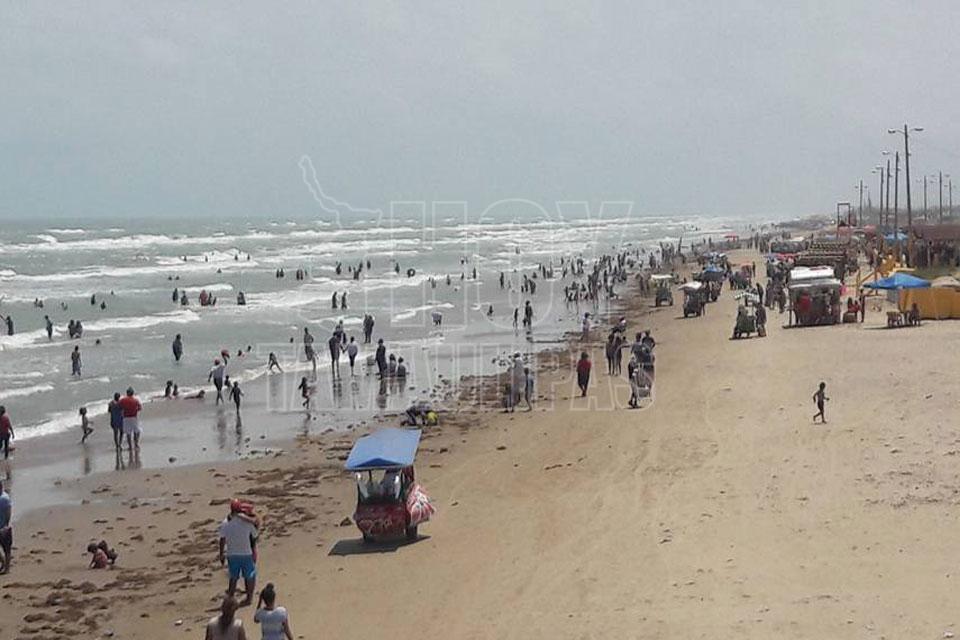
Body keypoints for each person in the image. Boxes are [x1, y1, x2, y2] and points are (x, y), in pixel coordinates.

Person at [218, 503, 259, 606]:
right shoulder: (246, 522)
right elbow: (255, 535)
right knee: (249, 576)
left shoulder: (226, 523)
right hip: (246, 553)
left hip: (232, 554)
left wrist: (221, 554)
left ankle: (231, 598)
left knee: (233, 577)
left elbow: (222, 539)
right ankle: (249, 598)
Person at [0, 480, 11, 574]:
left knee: (6, 548)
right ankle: (3, 562)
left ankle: (7, 568)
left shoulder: (4, 498)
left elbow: (8, 512)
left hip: (3, 527)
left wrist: (6, 525)